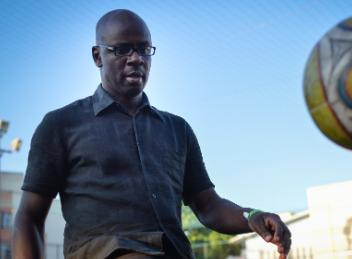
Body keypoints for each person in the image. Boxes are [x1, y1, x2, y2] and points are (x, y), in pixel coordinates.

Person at [13, 9, 291, 259]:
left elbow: (209, 206)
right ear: (98, 56)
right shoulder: (61, 124)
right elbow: (29, 216)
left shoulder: (177, 129)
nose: (136, 58)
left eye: (144, 49)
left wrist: (253, 216)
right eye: (121, 49)